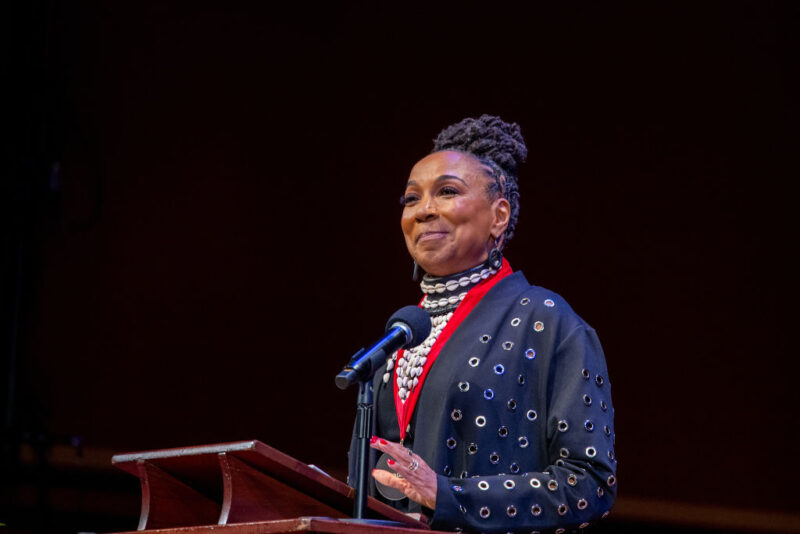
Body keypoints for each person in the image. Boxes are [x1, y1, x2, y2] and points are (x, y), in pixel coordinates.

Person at [348, 115, 616, 533]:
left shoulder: (546, 322)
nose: (423, 211)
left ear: (498, 215)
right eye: (411, 199)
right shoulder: (403, 331)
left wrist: (448, 496)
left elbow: (591, 486)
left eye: (447, 192)